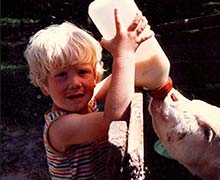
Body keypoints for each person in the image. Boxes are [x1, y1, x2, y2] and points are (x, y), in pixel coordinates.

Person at [24, 9, 157, 179]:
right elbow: (112, 121)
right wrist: (124, 56)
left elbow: (115, 81)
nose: (74, 83)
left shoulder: (86, 101)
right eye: (61, 75)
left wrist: (133, 46)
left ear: (95, 77)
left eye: (82, 71)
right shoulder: (60, 127)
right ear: (44, 86)